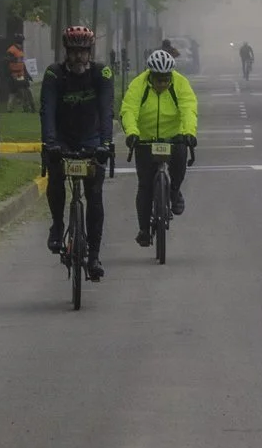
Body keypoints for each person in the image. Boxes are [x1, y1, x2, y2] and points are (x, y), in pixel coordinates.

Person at [39, 24, 114, 278]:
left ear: (90, 52)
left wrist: (106, 143)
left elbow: (106, 111)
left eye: (83, 52)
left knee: (95, 195)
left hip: (91, 137)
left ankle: (93, 257)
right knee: (56, 177)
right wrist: (50, 143)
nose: (78, 57)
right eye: (73, 51)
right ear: (66, 52)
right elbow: (47, 111)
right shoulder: (54, 74)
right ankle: (58, 226)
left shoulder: (101, 73)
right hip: (62, 137)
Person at [120, 47, 199, 245]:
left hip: (174, 136)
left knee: (179, 166)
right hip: (145, 139)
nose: (163, 84)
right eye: (159, 80)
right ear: (151, 77)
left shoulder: (180, 83)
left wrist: (189, 132)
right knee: (145, 186)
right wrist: (132, 133)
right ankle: (144, 229)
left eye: (166, 80)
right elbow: (129, 109)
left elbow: (189, 107)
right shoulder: (138, 84)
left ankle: (174, 191)